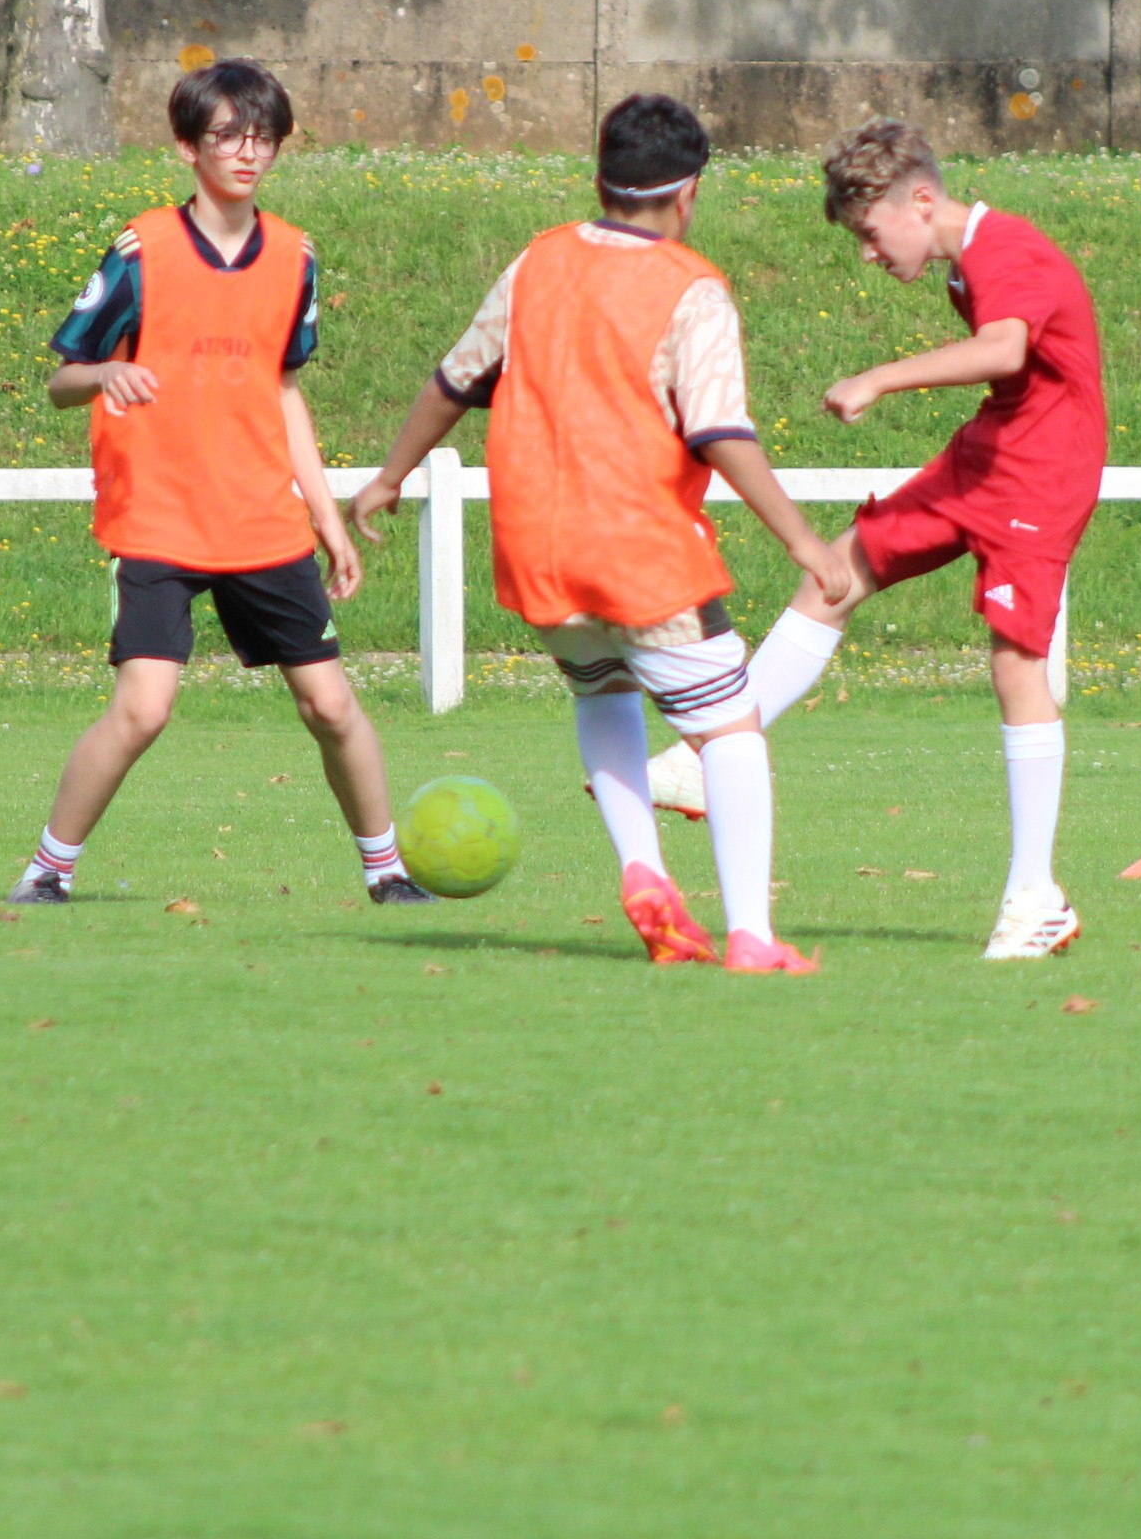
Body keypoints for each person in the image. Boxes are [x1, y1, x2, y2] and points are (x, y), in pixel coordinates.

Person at [350, 93, 856, 974]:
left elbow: (453, 380)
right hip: (640, 549)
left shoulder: (537, 262)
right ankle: (751, 936)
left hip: (536, 551)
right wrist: (805, 544)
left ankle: (643, 870)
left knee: (605, 694)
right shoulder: (691, 288)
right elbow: (720, 434)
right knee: (731, 731)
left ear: (600, 178)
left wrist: (391, 476)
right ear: (689, 192)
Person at [655, 120, 1108, 960]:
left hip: (1042, 472)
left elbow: (1005, 349)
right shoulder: (970, 261)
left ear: (923, 201)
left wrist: (880, 377)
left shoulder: (1007, 250)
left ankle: (1036, 895)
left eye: (869, 232)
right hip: (988, 454)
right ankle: (705, 757)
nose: (866, 254)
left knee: (1016, 664)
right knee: (836, 572)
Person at [11, 61, 422, 909]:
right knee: (144, 710)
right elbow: (60, 380)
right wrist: (102, 378)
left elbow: (282, 391)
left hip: (260, 520)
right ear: (187, 146)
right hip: (160, 517)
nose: (249, 151)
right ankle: (48, 870)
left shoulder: (296, 255)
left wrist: (329, 520)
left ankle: (388, 872)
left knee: (333, 708)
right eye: (229, 135)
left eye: (263, 136)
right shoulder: (140, 250)